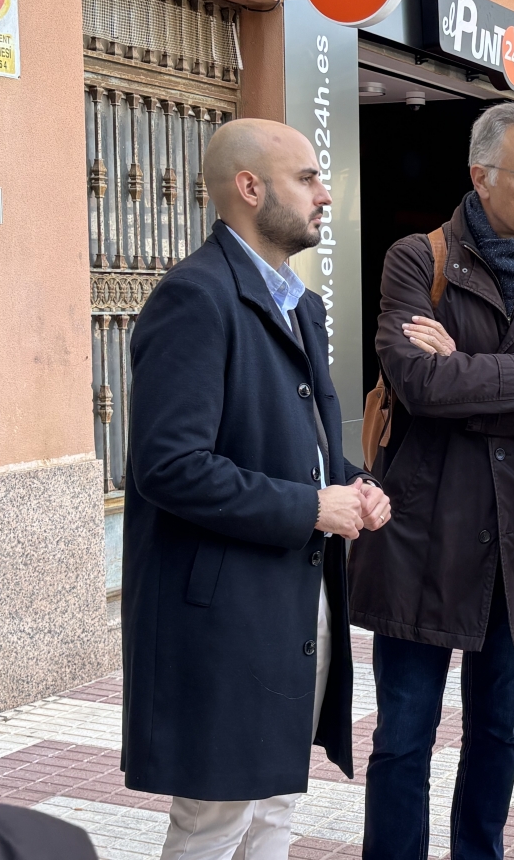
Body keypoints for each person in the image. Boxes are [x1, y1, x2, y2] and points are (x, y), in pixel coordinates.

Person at [122, 119, 391, 860]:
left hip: (292, 600)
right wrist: (312, 507)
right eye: (307, 178)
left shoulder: (297, 302)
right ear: (250, 188)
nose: (325, 195)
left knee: (273, 805)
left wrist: (353, 484)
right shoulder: (196, 298)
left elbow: (298, 444)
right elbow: (168, 465)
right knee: (216, 819)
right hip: (224, 613)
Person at [348, 102, 514, 860]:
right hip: (423, 538)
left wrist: (467, 375)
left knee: (496, 731)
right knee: (404, 735)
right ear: (480, 176)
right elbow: (420, 386)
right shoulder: (415, 260)